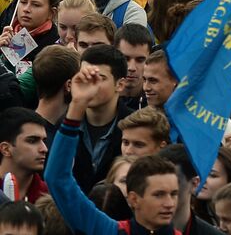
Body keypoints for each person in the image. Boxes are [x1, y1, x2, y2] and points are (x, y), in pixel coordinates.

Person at [45, 62, 183, 235]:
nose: (169, 203)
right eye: (159, 194)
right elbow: (57, 178)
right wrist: (77, 105)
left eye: (174, 194)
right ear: (134, 198)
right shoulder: (109, 230)